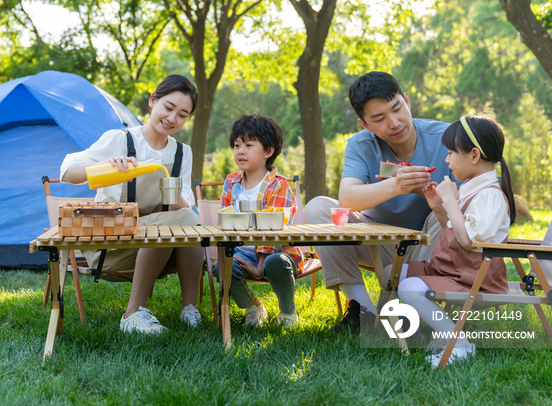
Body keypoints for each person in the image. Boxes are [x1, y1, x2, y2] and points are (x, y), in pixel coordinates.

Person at [304, 71, 456, 331]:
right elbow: (348, 198)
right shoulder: (360, 144)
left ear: (407, 101)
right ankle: (364, 311)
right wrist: (396, 185)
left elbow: (469, 202)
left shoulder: (447, 138)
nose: (394, 123)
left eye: (397, 109)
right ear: (365, 125)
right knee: (318, 207)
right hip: (378, 243)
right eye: (379, 119)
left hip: (430, 243)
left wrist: (428, 193)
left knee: (440, 213)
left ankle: (422, 299)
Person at [60, 74, 205, 333]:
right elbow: (68, 171)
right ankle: (132, 313)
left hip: (161, 249)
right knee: (183, 222)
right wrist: (105, 166)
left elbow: (185, 208)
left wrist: (171, 193)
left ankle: (189, 309)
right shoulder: (121, 140)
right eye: (168, 108)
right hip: (113, 247)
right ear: (153, 101)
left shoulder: (183, 153)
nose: (172, 119)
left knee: (186, 221)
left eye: (182, 115)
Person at [384, 115, 515, 367]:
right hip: (456, 271)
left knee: (409, 288)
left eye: (451, 153)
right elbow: (455, 231)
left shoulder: (489, 196)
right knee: (393, 272)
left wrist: (451, 201)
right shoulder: (471, 188)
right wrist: (439, 207)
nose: (446, 160)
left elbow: (468, 243)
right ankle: (441, 330)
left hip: (475, 278)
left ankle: (458, 342)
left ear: (474, 156)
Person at [212, 114, 302, 328]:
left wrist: (260, 266)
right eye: (236, 145)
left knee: (276, 262)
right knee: (221, 267)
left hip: (278, 251)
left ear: (268, 151)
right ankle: (253, 305)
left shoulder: (279, 185)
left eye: (249, 145)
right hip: (242, 251)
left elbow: (273, 228)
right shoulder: (231, 182)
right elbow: (224, 219)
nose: (240, 151)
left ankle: (288, 313)